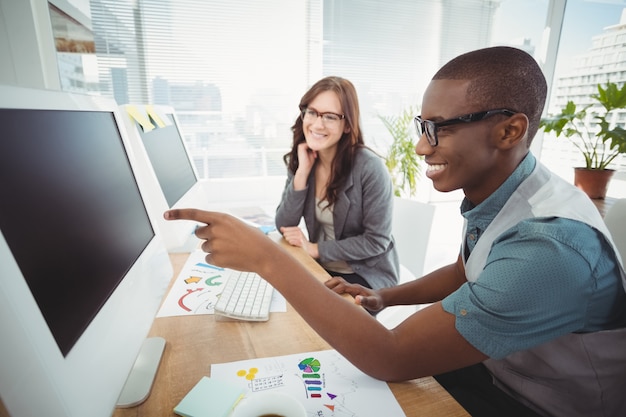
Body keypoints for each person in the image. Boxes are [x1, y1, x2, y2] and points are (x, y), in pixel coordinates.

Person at [164, 46, 626, 417]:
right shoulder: (506, 193)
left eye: (438, 129)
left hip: (536, 403)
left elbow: (392, 357)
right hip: (496, 369)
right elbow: (468, 269)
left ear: (509, 131)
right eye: (422, 127)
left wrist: (268, 259)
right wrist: (388, 298)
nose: (422, 146)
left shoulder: (548, 249)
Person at [275, 76, 399, 290]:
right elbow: (284, 225)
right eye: (312, 112)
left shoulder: (369, 168)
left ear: (347, 126)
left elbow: (376, 241)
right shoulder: (303, 159)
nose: (317, 124)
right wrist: (302, 174)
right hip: (321, 268)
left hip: (364, 274)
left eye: (330, 117)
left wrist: (316, 249)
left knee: (317, 317)